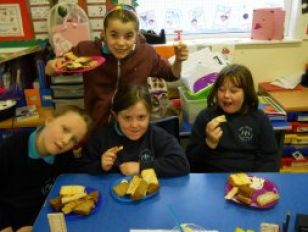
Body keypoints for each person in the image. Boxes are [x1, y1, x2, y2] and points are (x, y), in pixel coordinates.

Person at [45, 4, 189, 129]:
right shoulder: (86, 51)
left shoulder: (146, 53)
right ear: (104, 34)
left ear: (136, 36)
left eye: (128, 36)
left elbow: (172, 74)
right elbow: (56, 68)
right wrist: (52, 66)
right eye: (114, 35)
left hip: (133, 127)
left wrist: (179, 60)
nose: (121, 43)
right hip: (97, 127)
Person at [0, 105, 92, 232]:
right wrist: (4, 226)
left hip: (39, 219)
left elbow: (78, 173)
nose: (66, 141)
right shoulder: (10, 148)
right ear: (49, 121)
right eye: (65, 129)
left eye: (73, 140)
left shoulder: (64, 156)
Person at [74, 84, 190, 177]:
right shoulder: (100, 138)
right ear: (115, 116)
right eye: (127, 118)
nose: (134, 125)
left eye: (141, 117)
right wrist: (100, 165)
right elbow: (81, 168)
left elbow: (181, 164)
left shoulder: (157, 136)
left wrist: (141, 167)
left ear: (149, 115)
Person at [186, 64, 280, 172]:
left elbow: (270, 160)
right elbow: (190, 162)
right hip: (213, 178)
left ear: (246, 93)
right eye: (221, 90)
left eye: (233, 91)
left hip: (249, 179)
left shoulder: (259, 119)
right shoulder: (206, 117)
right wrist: (208, 143)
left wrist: (254, 182)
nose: (226, 95)